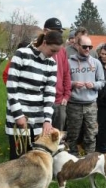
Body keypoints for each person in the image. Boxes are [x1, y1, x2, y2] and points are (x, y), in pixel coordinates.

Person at [5, 30, 63, 160]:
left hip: (38, 119)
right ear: (44, 43)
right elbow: (11, 87)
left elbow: (49, 92)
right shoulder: (22, 54)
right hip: (19, 117)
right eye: (52, 51)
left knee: (35, 160)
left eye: (56, 52)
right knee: (18, 159)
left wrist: (47, 120)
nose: (53, 55)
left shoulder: (52, 63)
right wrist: (18, 115)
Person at [66, 34, 105, 156]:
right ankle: (73, 161)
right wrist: (73, 84)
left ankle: (90, 162)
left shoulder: (96, 63)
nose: (88, 49)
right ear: (77, 46)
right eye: (84, 46)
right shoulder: (68, 62)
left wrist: (93, 85)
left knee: (91, 134)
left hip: (91, 104)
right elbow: (63, 82)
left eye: (90, 46)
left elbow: (102, 82)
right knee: (73, 135)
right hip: (74, 104)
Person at [43, 18, 71, 131]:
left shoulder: (62, 50)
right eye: (56, 31)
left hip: (59, 100)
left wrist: (67, 94)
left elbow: (66, 73)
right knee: (42, 135)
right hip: (42, 100)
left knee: (57, 134)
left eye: (60, 32)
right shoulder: (34, 50)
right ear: (45, 31)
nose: (58, 34)